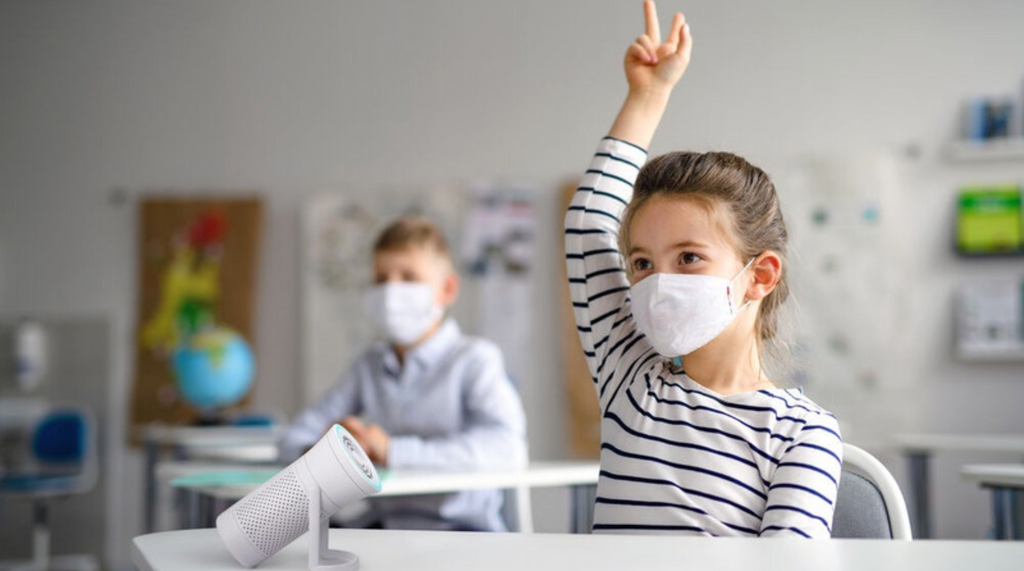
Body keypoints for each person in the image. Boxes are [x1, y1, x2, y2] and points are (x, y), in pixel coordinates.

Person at [565, 1, 842, 537]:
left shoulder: (801, 432)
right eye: (641, 262)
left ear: (760, 276)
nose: (658, 281)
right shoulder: (632, 378)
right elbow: (588, 227)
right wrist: (647, 96)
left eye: (688, 257)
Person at [280, 215, 528, 531]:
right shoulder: (368, 364)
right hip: (385, 527)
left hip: (462, 532)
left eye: (409, 277)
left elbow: (506, 448)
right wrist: (329, 447)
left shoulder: (475, 360)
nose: (391, 292)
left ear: (447, 289)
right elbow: (293, 438)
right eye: (381, 279)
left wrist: (394, 451)